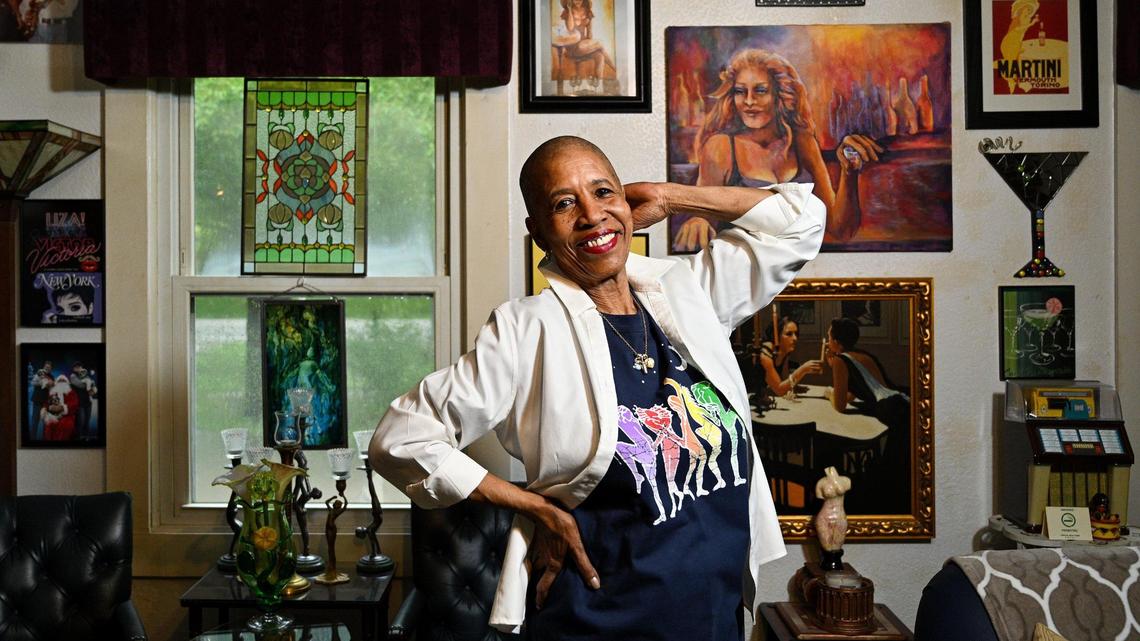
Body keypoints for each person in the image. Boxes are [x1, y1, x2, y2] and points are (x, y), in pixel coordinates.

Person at [371, 135, 825, 639]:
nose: (592, 215)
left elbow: (800, 222)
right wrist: (532, 505)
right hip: (595, 621)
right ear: (538, 230)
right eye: (564, 204)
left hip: (711, 618)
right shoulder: (526, 330)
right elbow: (401, 438)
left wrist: (673, 197)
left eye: (604, 192)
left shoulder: (688, 294)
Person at [672, 48, 882, 252]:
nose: (749, 101)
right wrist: (697, 220)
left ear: (780, 95)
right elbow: (702, 211)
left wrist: (849, 171)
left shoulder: (803, 142)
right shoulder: (721, 146)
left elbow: (840, 230)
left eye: (760, 90)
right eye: (740, 91)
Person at [824, 317, 910, 512]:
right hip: (900, 401)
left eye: (829, 337)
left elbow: (839, 406)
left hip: (891, 409)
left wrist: (829, 392)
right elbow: (856, 391)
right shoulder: (860, 355)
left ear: (836, 342)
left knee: (892, 469)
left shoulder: (839, 360)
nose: (828, 341)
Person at [552, 0, 617, 94]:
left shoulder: (588, 11)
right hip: (572, 47)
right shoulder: (567, 11)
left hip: (583, 47)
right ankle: (614, 68)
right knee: (600, 43)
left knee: (599, 55)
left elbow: (589, 35)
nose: (577, 1)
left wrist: (590, 42)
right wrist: (570, 10)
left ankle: (598, 88)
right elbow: (570, 28)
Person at [759, 315, 822, 398]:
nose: (795, 338)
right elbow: (779, 390)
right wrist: (803, 369)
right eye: (789, 334)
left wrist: (793, 387)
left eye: (796, 333)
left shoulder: (785, 351)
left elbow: (785, 382)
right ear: (776, 335)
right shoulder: (765, 355)